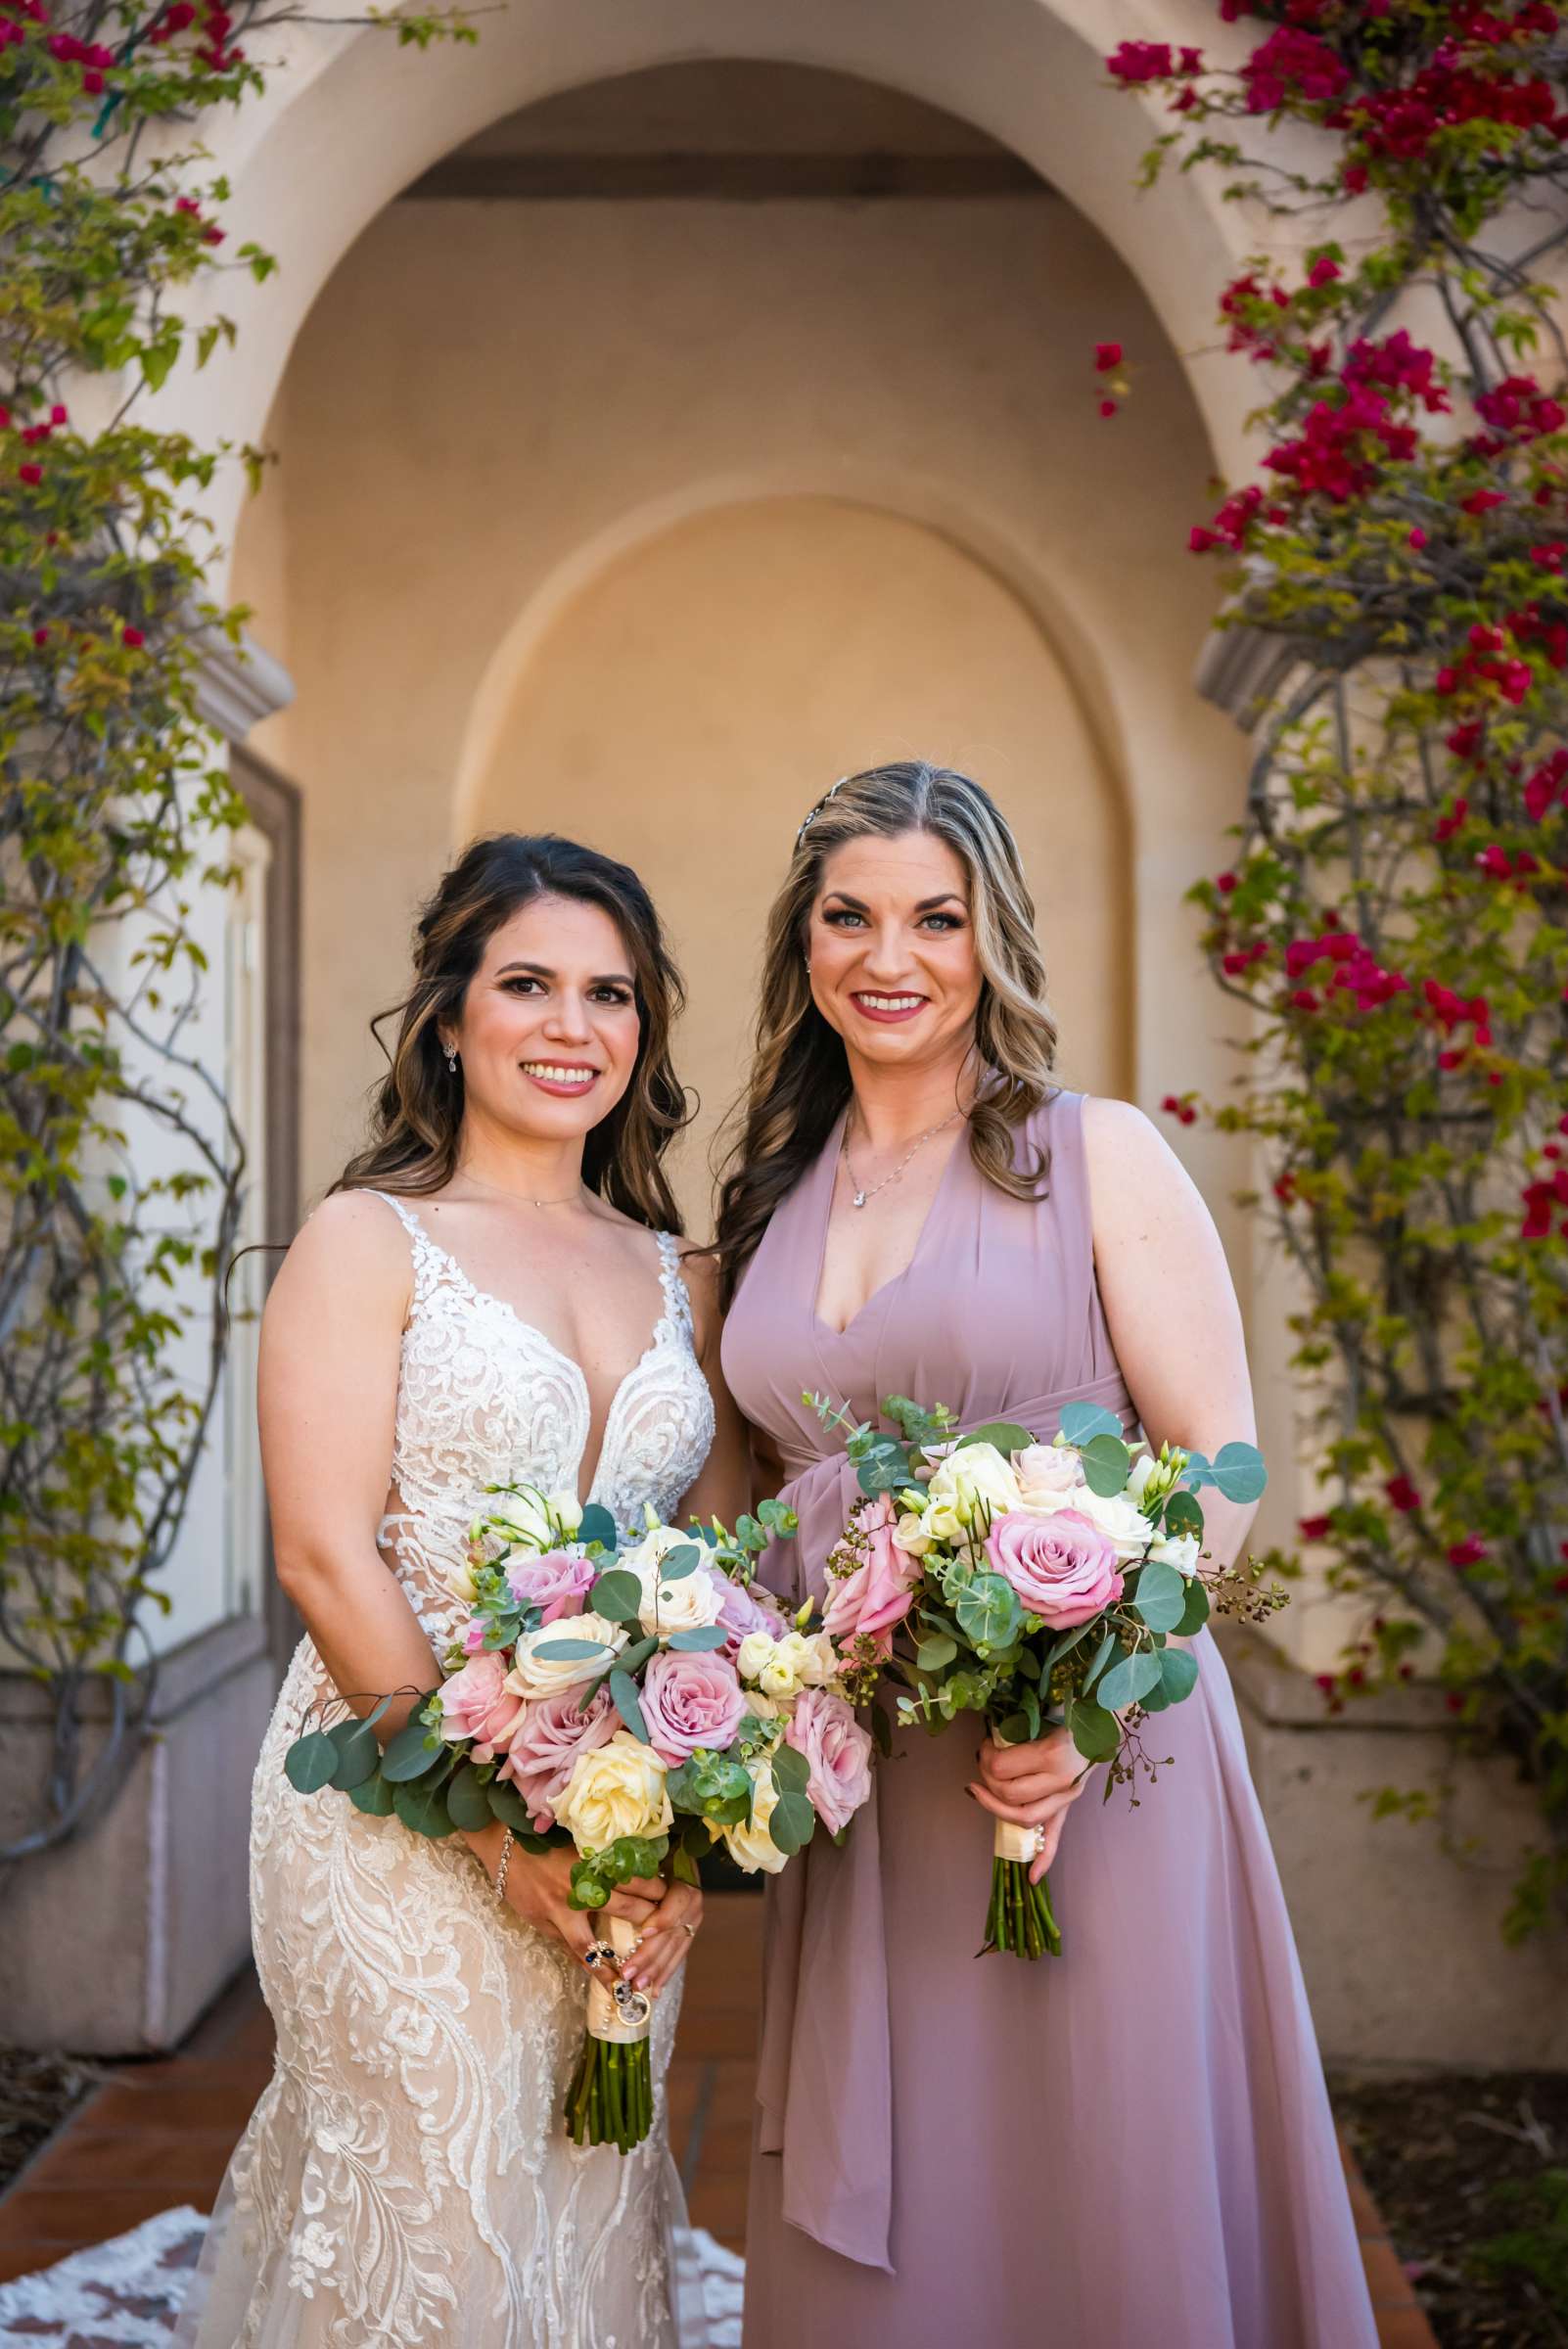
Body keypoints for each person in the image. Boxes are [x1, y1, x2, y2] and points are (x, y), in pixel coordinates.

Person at [715, 761, 1378, 2348]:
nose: (891, 957)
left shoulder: (1092, 1155)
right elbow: (736, 1519)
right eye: (849, 916)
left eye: (934, 917)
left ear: (990, 935)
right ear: (801, 942)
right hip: (872, 1780)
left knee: (1100, 2174)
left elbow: (1217, 1470)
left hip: (1086, 1761)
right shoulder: (764, 1200)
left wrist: (1079, 1710)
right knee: (921, 2215)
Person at [177, 832, 748, 2349]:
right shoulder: (370, 1243)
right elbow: (321, 1550)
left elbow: (715, 1568)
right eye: (528, 984)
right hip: (391, 1812)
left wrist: (689, 1829)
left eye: (611, 994)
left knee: (581, 2197)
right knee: (433, 2222)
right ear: (447, 1015)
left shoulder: (674, 1272)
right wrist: (505, 1847)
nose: (574, 1027)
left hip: (615, 1813)